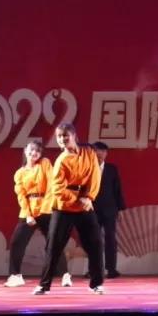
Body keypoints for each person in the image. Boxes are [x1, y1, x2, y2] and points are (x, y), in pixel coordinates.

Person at [34, 123, 106, 295]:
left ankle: (96, 284)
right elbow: (58, 189)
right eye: (59, 137)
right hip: (64, 206)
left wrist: (89, 197)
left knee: (95, 244)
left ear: (74, 135)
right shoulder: (61, 160)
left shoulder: (88, 152)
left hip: (85, 204)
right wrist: (77, 199)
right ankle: (44, 284)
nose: (62, 139)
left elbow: (95, 175)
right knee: (54, 246)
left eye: (65, 135)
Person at [5, 140, 70, 288]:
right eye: (31, 149)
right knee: (16, 242)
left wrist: (43, 210)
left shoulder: (45, 163)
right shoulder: (19, 173)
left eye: (38, 151)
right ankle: (15, 275)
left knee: (54, 243)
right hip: (28, 211)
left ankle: (65, 275)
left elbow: (51, 186)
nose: (34, 153)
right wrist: (28, 214)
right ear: (25, 150)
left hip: (45, 209)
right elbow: (21, 195)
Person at [91, 141, 125, 279]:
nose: (100, 154)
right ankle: (93, 270)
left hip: (110, 209)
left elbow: (117, 189)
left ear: (106, 154)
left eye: (103, 151)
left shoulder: (112, 169)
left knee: (110, 238)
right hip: (91, 209)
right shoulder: (87, 168)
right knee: (93, 239)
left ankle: (111, 269)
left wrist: (120, 209)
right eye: (97, 151)